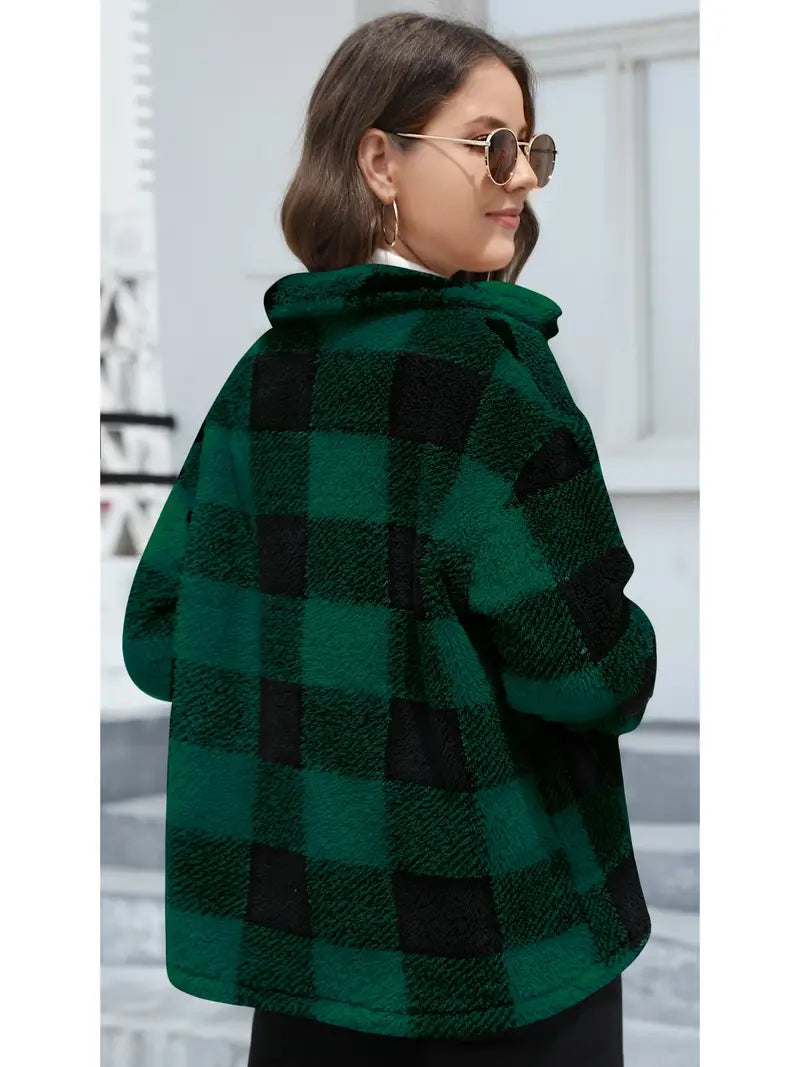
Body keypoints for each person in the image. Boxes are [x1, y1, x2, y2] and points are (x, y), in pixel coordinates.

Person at [122, 12, 657, 1067]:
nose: (522, 177)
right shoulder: (491, 374)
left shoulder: (261, 379)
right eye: (489, 144)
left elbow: (161, 638)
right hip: (497, 956)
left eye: (531, 147)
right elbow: (588, 672)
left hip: (305, 956)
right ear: (379, 159)